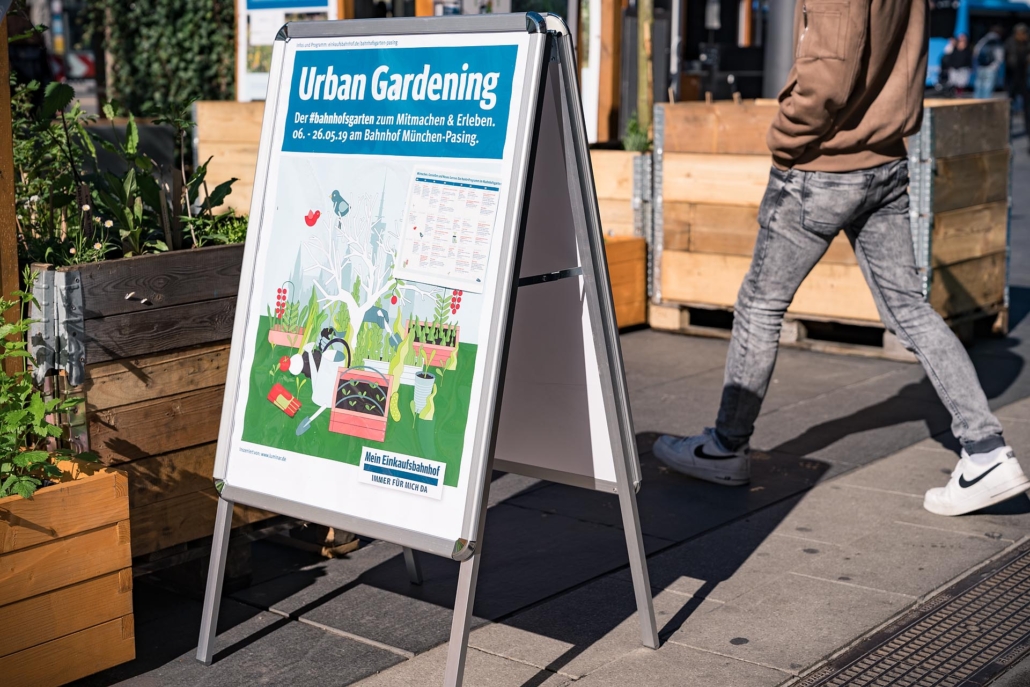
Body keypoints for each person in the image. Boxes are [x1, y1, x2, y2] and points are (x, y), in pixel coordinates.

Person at [653, 0, 1030, 518]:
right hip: (886, 158)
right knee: (910, 309)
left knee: (760, 306)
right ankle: (987, 451)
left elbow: (827, 75)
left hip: (822, 167)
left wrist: (784, 137)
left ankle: (725, 447)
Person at [1005, 23, 1030, 140]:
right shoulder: (1010, 43)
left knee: (1027, 111)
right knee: (1009, 107)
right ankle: (1007, 133)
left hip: (1025, 80)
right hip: (1013, 79)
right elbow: (1006, 62)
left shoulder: (1027, 44)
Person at [974, 25, 1005, 99]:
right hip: (991, 68)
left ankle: (976, 104)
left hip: (981, 66)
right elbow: (1000, 55)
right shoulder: (997, 41)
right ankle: (985, 105)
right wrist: (995, 66)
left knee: (978, 86)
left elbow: (976, 51)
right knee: (987, 88)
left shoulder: (984, 39)